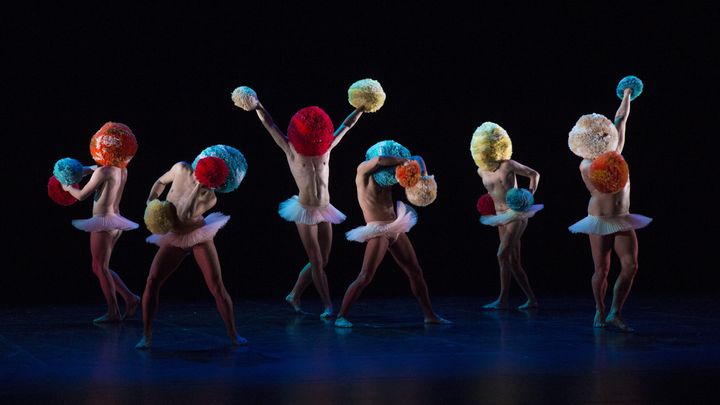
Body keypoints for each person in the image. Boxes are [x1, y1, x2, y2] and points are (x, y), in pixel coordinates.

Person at [250, 97, 364, 319]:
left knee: (324, 260)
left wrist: (362, 108)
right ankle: (328, 306)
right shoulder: (291, 149)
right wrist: (258, 106)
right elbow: (270, 125)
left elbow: (346, 126)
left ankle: (294, 294)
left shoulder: (326, 148)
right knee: (316, 260)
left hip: (325, 208)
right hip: (305, 210)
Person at [135, 145, 247, 349]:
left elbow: (186, 214)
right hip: (174, 236)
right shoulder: (181, 169)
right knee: (152, 281)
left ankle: (233, 334)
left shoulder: (210, 196)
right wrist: (151, 201)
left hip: (198, 236)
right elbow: (161, 181)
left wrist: (199, 186)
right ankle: (146, 335)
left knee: (216, 286)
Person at [335, 141, 449, 328]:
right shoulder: (363, 171)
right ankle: (341, 316)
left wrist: (417, 167)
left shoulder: (385, 176)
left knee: (415, 271)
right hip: (377, 228)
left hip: (395, 225)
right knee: (365, 276)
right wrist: (404, 159)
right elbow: (380, 159)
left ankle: (429, 315)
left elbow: (418, 159)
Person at [568, 79, 651, 332]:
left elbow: (621, 119)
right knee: (602, 269)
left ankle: (615, 311)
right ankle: (599, 309)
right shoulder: (586, 164)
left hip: (623, 217)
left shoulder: (617, 149)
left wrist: (627, 94)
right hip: (600, 219)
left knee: (631, 265)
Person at [62, 122, 140, 323]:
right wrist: (79, 169)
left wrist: (67, 186)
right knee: (100, 267)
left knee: (99, 266)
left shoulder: (103, 172)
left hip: (103, 223)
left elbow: (80, 196)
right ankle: (130, 298)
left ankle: (113, 312)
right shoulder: (121, 169)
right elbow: (92, 169)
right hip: (116, 222)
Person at [471, 122, 541, 310]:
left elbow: (534, 174)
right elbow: (493, 192)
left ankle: (502, 299)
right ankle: (531, 300)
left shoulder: (508, 165)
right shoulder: (481, 171)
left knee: (502, 254)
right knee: (513, 261)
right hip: (499, 216)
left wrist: (529, 195)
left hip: (516, 213)